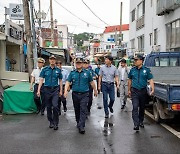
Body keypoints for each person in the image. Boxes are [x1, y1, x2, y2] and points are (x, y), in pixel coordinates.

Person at [64, 57, 98, 134]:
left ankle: (82, 125)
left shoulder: (87, 73)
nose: (78, 64)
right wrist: (65, 91)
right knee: (77, 109)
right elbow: (67, 82)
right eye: (77, 63)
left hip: (85, 94)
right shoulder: (72, 73)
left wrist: (95, 91)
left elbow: (92, 82)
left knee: (83, 109)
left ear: (82, 64)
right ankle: (78, 121)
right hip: (75, 94)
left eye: (80, 63)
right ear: (75, 64)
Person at [128, 55, 154, 131]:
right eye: (134, 60)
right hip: (134, 91)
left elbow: (151, 80)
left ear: (141, 61)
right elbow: (129, 80)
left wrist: (152, 89)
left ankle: (141, 121)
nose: (135, 61)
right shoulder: (132, 70)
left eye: (136, 60)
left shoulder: (146, 70)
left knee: (142, 108)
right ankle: (136, 124)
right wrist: (129, 90)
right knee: (135, 107)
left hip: (143, 91)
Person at [37, 55, 63, 130]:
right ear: (49, 60)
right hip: (47, 89)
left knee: (55, 106)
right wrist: (38, 90)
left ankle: (56, 122)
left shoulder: (58, 70)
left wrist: (61, 90)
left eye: (53, 59)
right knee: (48, 107)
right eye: (51, 59)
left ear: (55, 61)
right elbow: (41, 80)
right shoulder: (45, 69)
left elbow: (60, 81)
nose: (52, 61)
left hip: (55, 89)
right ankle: (51, 121)